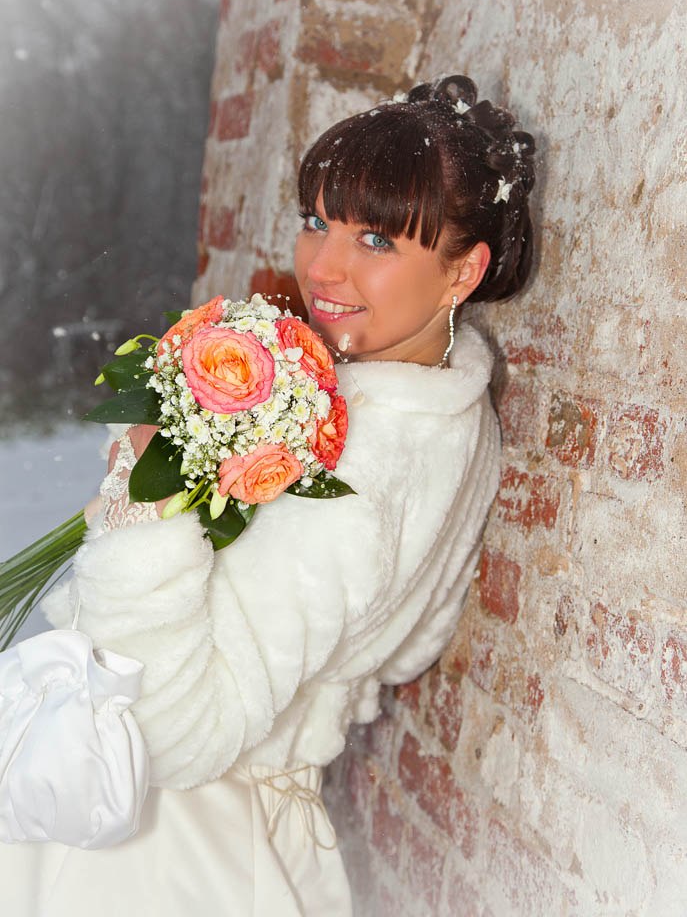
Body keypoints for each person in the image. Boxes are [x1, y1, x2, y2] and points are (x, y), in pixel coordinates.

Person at [1, 74, 536, 915]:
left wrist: (150, 501)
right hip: (219, 826)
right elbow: (403, 647)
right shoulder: (428, 408)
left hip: (166, 849)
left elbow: (176, 732)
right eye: (316, 222)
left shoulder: (372, 465)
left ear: (462, 270)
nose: (323, 266)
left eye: (376, 240)